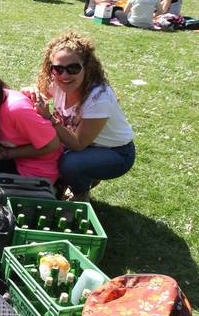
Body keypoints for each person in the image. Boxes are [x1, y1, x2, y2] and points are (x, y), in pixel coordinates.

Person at [28, 31, 135, 199]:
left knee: (69, 162)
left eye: (73, 68)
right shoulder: (57, 82)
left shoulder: (99, 97)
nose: (65, 75)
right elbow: (36, 95)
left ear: (87, 67)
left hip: (116, 153)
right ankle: (81, 177)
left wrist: (50, 118)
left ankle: (81, 194)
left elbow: (78, 144)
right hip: (86, 146)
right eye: (58, 68)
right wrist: (31, 92)